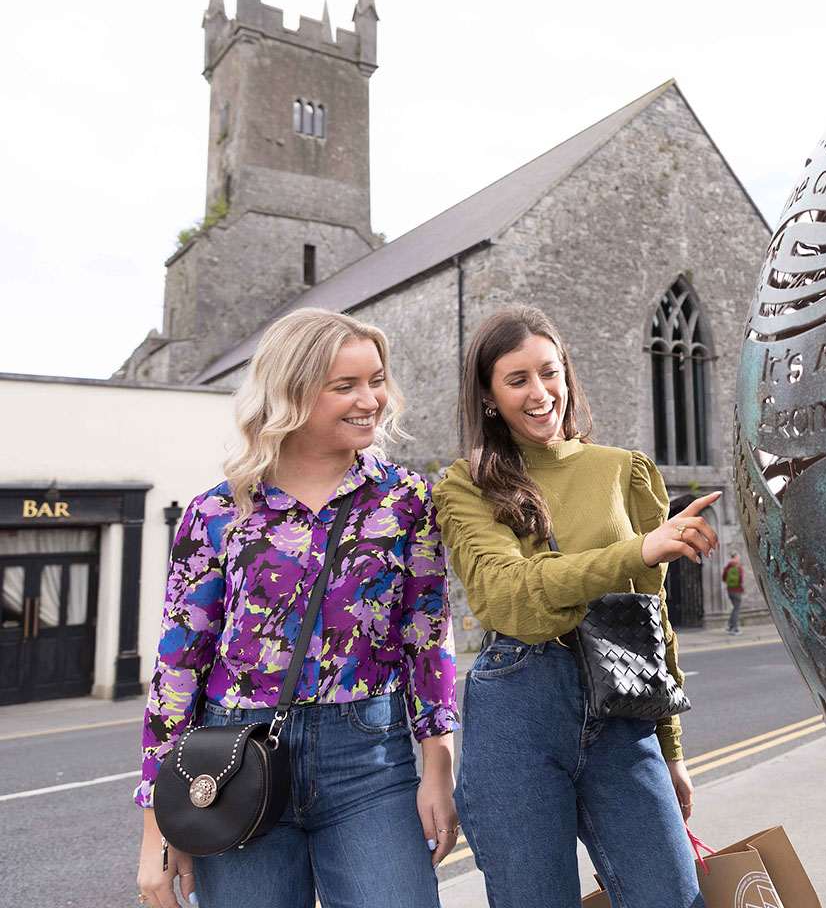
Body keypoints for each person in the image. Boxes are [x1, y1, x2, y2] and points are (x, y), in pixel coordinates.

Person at [135, 307, 459, 908]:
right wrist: (160, 823)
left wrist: (438, 766)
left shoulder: (407, 499)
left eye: (377, 379)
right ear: (291, 393)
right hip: (232, 758)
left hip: (370, 758)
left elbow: (427, 637)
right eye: (346, 386)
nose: (372, 399)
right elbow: (178, 664)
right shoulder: (218, 512)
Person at [433, 304, 717, 908]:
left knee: (672, 896)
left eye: (550, 372)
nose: (541, 393)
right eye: (517, 380)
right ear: (488, 396)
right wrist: (634, 552)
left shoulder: (623, 472)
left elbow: (651, 616)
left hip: (622, 710)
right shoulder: (466, 485)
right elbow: (512, 599)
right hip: (518, 710)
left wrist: (671, 749)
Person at [723, 552, 744, 634]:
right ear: (735, 557)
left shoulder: (728, 567)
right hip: (737, 590)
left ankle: (730, 625)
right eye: (738, 556)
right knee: (736, 609)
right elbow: (740, 579)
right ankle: (733, 628)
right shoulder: (738, 567)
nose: (739, 558)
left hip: (730, 590)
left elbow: (724, 577)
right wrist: (741, 588)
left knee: (734, 608)